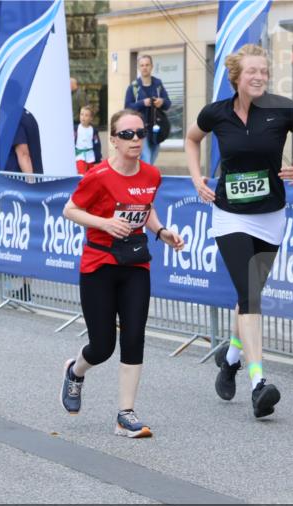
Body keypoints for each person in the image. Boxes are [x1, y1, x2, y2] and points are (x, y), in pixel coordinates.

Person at [185, 44, 293, 419]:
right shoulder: (216, 113)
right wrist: (197, 178)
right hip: (229, 215)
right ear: (236, 77)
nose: (259, 76)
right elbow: (192, 139)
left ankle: (230, 360)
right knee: (249, 293)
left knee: (250, 297)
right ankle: (259, 382)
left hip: (272, 215)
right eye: (251, 71)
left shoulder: (283, 109)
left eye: (263, 70)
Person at [59, 109, 184, 437]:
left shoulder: (151, 175)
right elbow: (70, 209)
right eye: (126, 134)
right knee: (102, 346)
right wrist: (105, 223)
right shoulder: (98, 176)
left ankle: (125, 415)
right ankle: (75, 371)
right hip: (99, 265)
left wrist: (161, 232)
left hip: (135, 265)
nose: (135, 139)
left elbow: (147, 208)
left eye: (140, 133)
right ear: (112, 140)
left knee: (134, 336)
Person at [125, 54, 171, 165]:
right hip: (140, 128)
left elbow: (168, 104)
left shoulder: (158, 84)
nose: (144, 67)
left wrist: (162, 102)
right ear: (139, 68)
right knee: (146, 156)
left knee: (153, 156)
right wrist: (142, 103)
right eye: (142, 65)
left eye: (147, 65)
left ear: (151, 66)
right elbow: (127, 107)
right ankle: (145, 180)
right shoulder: (134, 87)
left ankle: (142, 177)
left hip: (156, 128)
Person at [2, 108, 43, 174]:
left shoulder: (14, 118)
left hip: (17, 182)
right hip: (32, 178)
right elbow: (10, 158)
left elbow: (24, 156)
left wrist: (30, 183)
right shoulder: (27, 116)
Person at [74, 105, 102, 174]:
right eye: (82, 114)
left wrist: (98, 158)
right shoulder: (75, 129)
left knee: (91, 175)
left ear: (91, 118)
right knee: (81, 175)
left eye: (86, 115)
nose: (83, 117)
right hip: (79, 156)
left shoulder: (93, 130)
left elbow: (97, 144)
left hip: (90, 156)